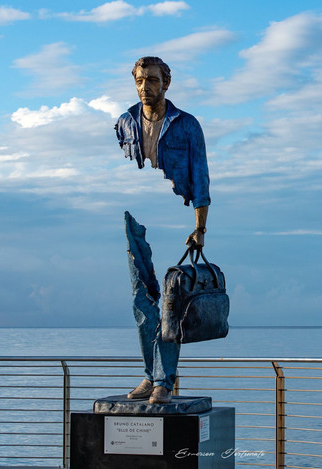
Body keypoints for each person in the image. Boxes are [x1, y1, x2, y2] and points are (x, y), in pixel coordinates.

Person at [115, 56, 210, 404]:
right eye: (140, 81)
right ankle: (149, 374)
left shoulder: (186, 125)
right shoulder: (124, 123)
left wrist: (200, 227)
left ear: (166, 83)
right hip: (136, 221)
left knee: (170, 305)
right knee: (142, 301)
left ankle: (164, 383)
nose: (145, 87)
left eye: (152, 80)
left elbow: (200, 175)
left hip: (178, 216)